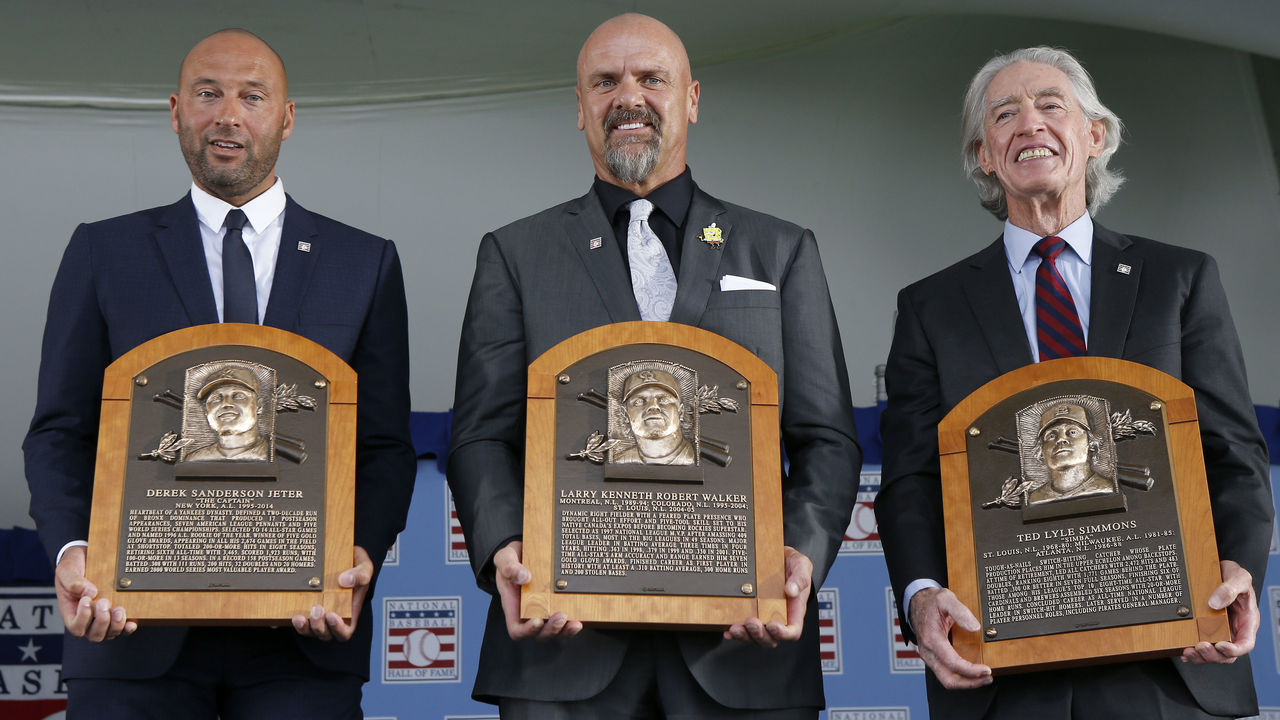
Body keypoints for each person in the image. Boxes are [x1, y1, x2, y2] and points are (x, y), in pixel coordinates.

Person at [447, 13, 861, 718]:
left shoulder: (780, 250)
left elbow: (825, 435)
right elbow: (482, 432)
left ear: (691, 99)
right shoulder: (515, 254)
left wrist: (797, 557)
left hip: (743, 649)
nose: (628, 97)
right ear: (579, 108)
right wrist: (504, 551)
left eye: (651, 79)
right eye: (605, 82)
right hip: (562, 651)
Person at [22, 28, 416, 720]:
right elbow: (59, 430)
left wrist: (358, 556)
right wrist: (72, 552)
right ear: (176, 110)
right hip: (130, 632)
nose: (228, 114)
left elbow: (383, 446)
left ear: (286, 118)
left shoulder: (364, 264)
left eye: (251, 96)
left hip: (301, 641)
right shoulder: (102, 251)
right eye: (208, 93)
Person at [876, 46, 1272, 719]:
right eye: (1005, 114)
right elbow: (910, 478)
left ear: (1095, 135)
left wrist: (1236, 569)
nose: (1028, 123)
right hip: (1004, 673)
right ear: (985, 155)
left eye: (1049, 105)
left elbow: (1232, 452)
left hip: (1170, 664)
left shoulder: (1178, 280)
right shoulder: (931, 307)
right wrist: (920, 595)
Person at [1026, 401, 1113, 504]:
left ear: (1091, 443)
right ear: (1041, 451)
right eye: (1051, 436)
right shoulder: (1034, 498)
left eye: (1072, 432)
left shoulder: (1107, 488)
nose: (1061, 439)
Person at [186, 365, 271, 462]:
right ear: (206, 410)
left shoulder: (271, 454)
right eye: (216, 398)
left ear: (259, 406)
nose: (226, 403)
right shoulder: (194, 459)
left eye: (238, 396)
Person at [614, 368, 696, 465]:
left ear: (681, 411)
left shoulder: (697, 457)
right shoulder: (619, 461)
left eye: (663, 399)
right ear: (625, 415)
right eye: (639, 401)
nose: (653, 406)